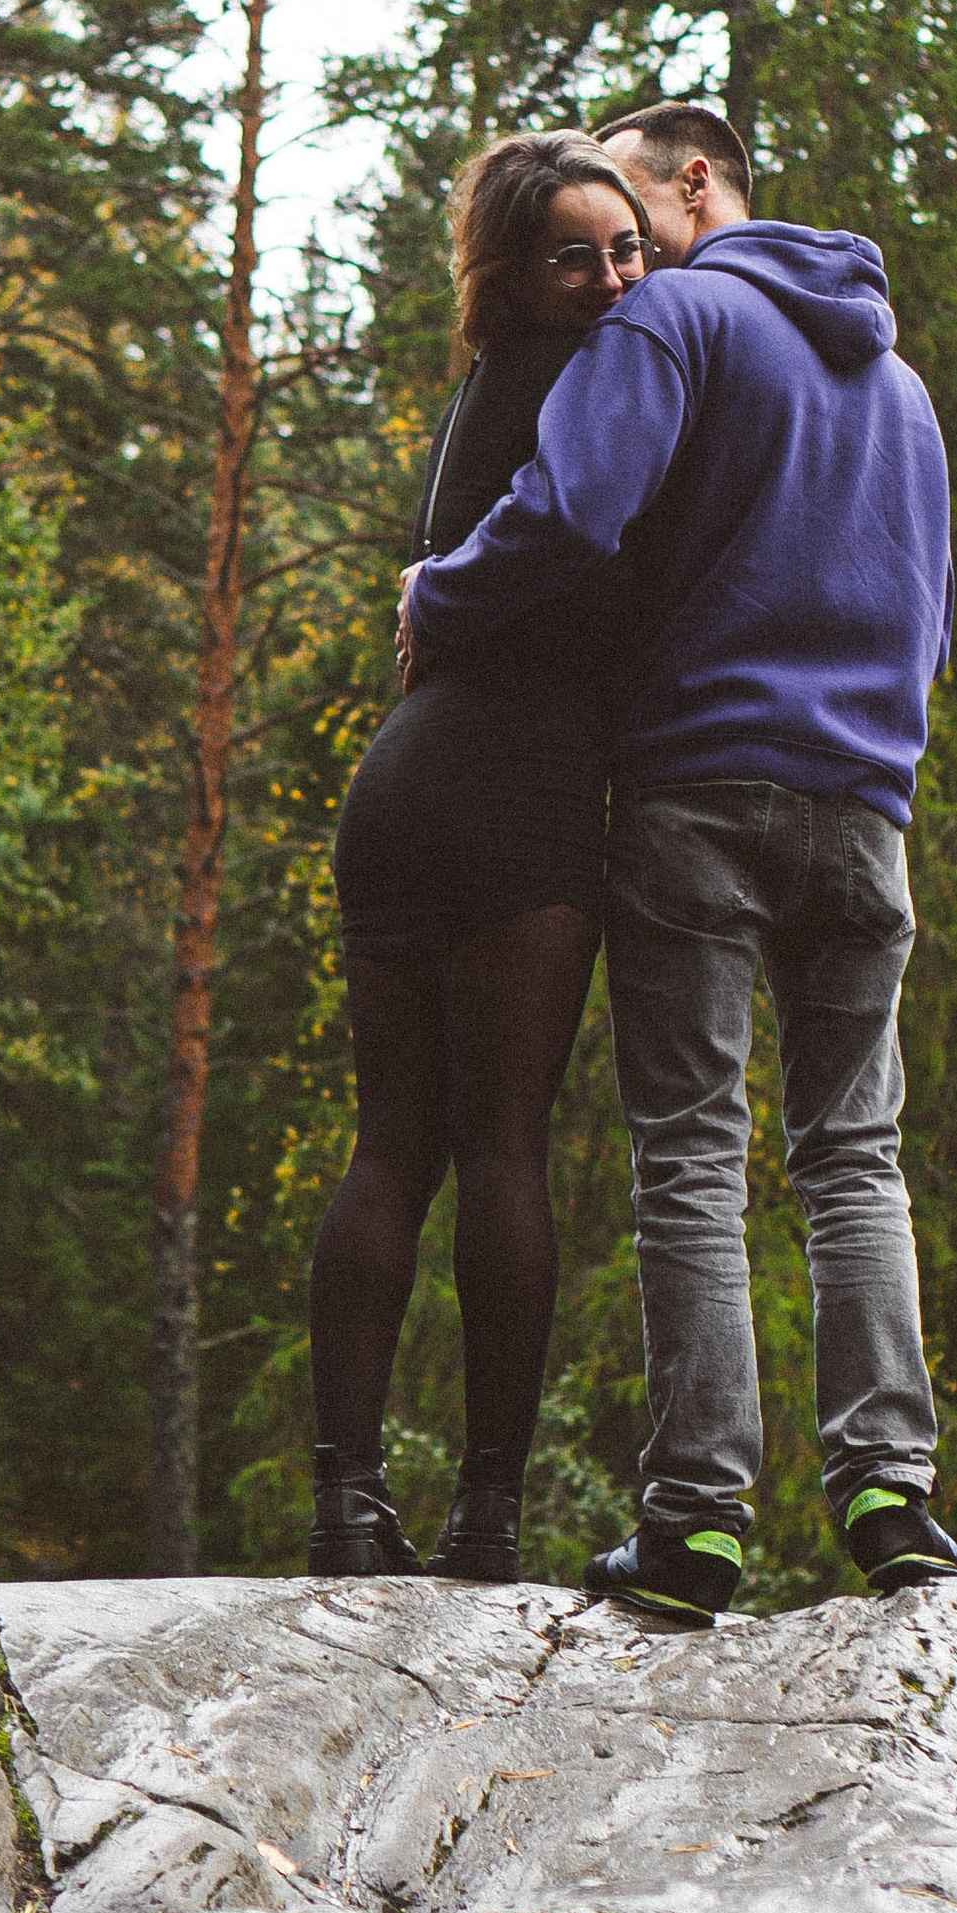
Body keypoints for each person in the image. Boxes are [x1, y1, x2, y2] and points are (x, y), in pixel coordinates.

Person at [399, 96, 957, 1626]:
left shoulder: (679, 324)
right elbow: (929, 614)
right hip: (865, 803)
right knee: (855, 1153)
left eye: (634, 219)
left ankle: (697, 1526)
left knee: (694, 1158)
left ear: (694, 180)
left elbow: (573, 507)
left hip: (701, 788)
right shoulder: (900, 383)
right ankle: (890, 1497)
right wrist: (877, 753)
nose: (622, 262)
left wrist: (437, 595)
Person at [307, 131, 653, 1581]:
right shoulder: (604, 385)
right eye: (576, 255)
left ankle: (345, 1503)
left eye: (627, 246)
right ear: (515, 275)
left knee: (395, 1144)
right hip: (514, 785)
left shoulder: (480, 393)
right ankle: (487, 1520)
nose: (614, 276)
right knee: (498, 1140)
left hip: (402, 780)